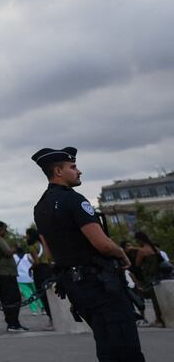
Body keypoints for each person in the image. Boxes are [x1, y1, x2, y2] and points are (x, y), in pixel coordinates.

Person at [32, 146, 146, 361]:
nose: (78, 171)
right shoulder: (74, 200)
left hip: (76, 286)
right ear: (58, 171)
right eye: (73, 167)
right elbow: (101, 243)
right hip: (100, 284)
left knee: (106, 346)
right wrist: (121, 252)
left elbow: (48, 253)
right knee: (126, 348)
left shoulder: (40, 207)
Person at [0, 221, 29, 332]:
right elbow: (7, 252)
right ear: (0, 229)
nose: (6, 233)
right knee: (13, 298)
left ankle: (13, 323)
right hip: (6, 274)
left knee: (8, 298)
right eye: (5, 230)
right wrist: (16, 249)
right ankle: (13, 324)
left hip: (2, 273)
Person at [134, 231, 165, 328]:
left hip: (149, 277)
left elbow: (137, 265)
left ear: (139, 240)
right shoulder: (155, 249)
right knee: (159, 299)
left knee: (154, 300)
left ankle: (158, 319)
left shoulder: (142, 251)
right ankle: (160, 318)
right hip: (159, 276)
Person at [16, 250, 43, 315]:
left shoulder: (14, 256)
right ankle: (42, 307)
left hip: (20, 278)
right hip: (30, 277)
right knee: (37, 292)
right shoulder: (29, 255)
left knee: (28, 295)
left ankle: (34, 310)